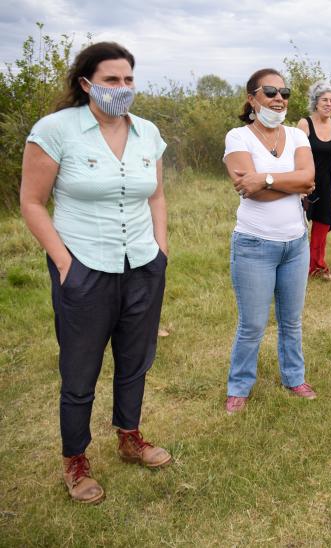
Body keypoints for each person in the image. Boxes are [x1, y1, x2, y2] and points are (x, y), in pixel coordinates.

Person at [20, 42, 171, 504]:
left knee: (135, 360)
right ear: (86, 83)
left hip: (143, 265)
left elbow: (157, 196)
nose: (121, 88)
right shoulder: (55, 130)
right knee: (80, 369)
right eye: (111, 80)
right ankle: (75, 459)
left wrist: (161, 251)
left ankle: (130, 436)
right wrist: (65, 263)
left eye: (128, 79)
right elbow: (31, 202)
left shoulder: (147, 132)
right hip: (84, 265)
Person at [223, 68, 317, 414]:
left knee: (291, 321)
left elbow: (309, 179)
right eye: (270, 92)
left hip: (296, 244)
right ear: (252, 99)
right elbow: (253, 195)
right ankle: (239, 386)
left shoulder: (297, 136)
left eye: (284, 93)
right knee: (252, 324)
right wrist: (287, 182)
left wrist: (264, 178)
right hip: (254, 246)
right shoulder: (238, 137)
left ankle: (294, 377)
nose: (279, 99)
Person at [297, 80, 331, 281]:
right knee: (299, 225)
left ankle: (317, 266)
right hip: (305, 182)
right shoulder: (305, 124)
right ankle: (296, 264)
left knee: (322, 225)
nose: (329, 103)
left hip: (326, 182)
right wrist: (301, 186)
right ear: (316, 102)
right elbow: (296, 155)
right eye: (324, 100)